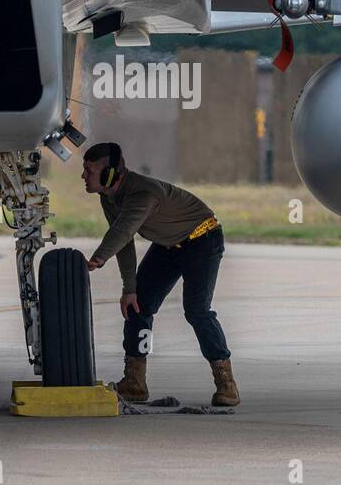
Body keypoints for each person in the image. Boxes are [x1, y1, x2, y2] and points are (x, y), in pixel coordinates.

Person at [80, 142, 239, 406]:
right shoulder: (108, 196)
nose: (83, 176)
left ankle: (227, 385)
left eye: (89, 170)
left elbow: (122, 232)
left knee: (197, 311)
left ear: (110, 175)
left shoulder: (142, 193)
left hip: (202, 239)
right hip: (168, 246)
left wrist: (96, 260)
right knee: (137, 305)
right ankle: (135, 383)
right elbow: (125, 241)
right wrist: (129, 288)